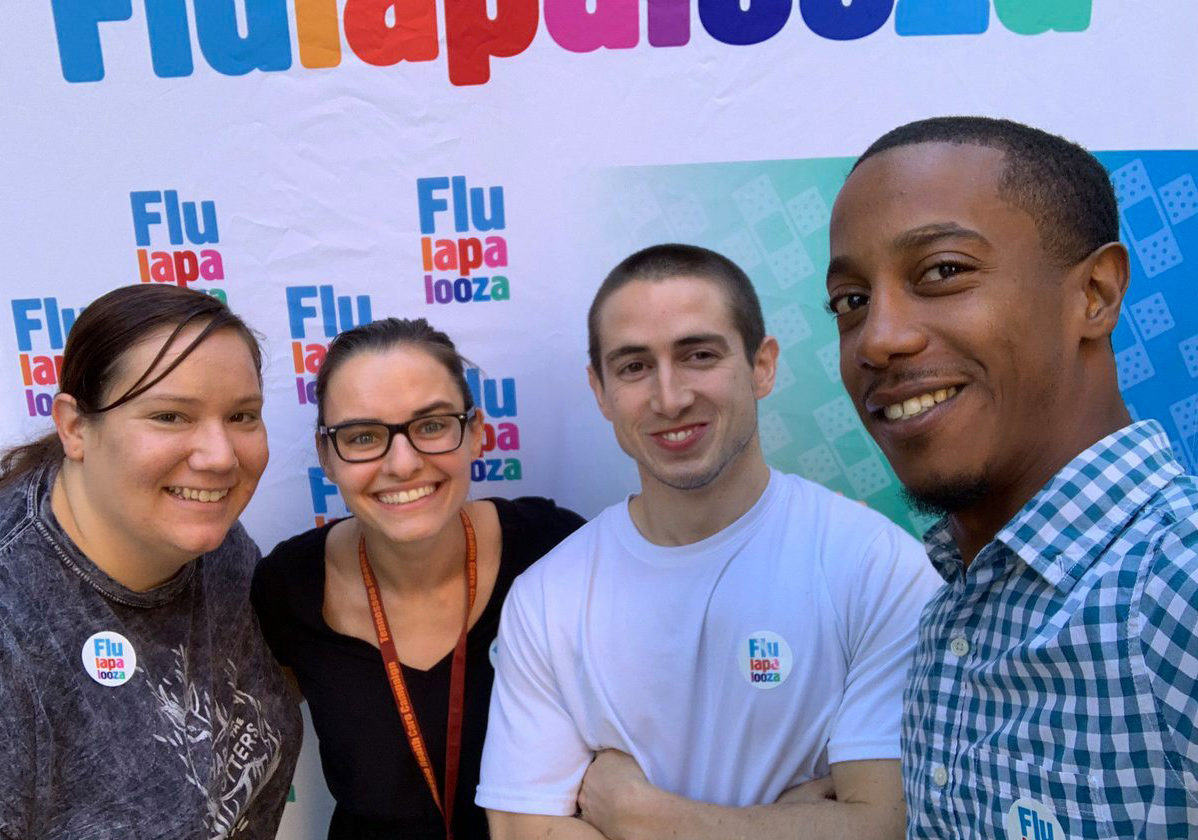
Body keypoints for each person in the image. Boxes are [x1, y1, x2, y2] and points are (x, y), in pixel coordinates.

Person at [476, 244, 941, 840]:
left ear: (762, 365)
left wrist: (642, 818)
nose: (669, 397)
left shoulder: (877, 567)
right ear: (599, 389)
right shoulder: (547, 597)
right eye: (634, 367)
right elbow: (522, 831)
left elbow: (887, 827)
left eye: (698, 355)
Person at [828, 115, 1198, 838]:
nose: (879, 338)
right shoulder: (948, 617)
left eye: (942, 271)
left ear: (1095, 293)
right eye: (851, 301)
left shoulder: (1179, 585)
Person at [251, 317, 584, 839]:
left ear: (475, 434)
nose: (402, 464)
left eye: (431, 426)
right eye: (362, 436)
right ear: (326, 457)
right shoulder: (287, 588)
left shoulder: (553, 550)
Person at [0, 284, 302, 840]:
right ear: (74, 427)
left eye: (241, 415)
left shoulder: (217, 543)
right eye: (169, 416)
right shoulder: (12, 627)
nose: (219, 457)